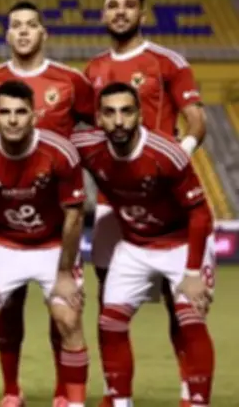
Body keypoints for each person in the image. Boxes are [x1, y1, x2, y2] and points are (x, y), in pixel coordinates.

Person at [0, 0, 94, 406]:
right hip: (3, 232)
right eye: (15, 25)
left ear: (43, 32)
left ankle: (65, 395)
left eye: (30, 24)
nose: (22, 31)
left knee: (65, 314)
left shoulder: (71, 81)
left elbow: (102, 127)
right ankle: (10, 392)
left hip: (55, 226)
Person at [84, 0, 207, 406]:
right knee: (108, 300)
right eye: (112, 6)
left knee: (179, 301)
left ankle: (190, 388)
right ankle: (114, 392)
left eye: (129, 5)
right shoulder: (93, 69)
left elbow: (196, 122)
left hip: (163, 195)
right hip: (112, 201)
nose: (120, 12)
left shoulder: (167, 62)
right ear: (103, 15)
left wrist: (176, 161)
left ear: (143, 14)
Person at [71, 82, 215, 407]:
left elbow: (200, 214)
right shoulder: (87, 146)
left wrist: (193, 273)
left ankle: (198, 402)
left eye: (126, 111)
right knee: (110, 322)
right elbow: (45, 143)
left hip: (181, 243)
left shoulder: (167, 154)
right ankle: (121, 403)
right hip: (135, 245)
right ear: (98, 118)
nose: (118, 121)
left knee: (190, 318)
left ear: (139, 114)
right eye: (110, 113)